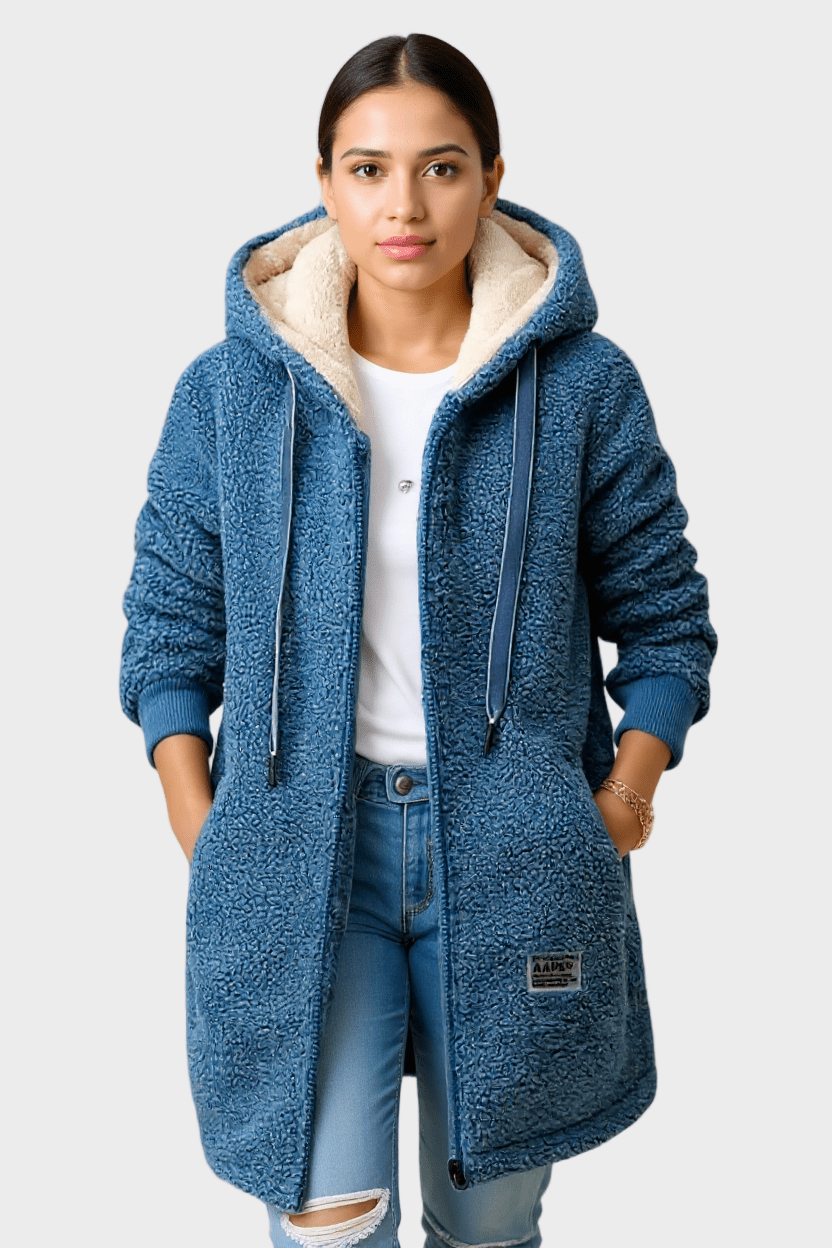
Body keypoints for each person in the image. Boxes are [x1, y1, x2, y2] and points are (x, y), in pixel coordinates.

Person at [119, 32, 717, 1248]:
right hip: (301, 850)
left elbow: (665, 617)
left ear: (492, 178)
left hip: (514, 848)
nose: (404, 205)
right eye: (369, 168)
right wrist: (200, 817)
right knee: (326, 1221)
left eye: (440, 167)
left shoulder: (582, 388)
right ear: (324, 183)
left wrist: (619, 800)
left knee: (487, 1222)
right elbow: (169, 625)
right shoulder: (229, 395)